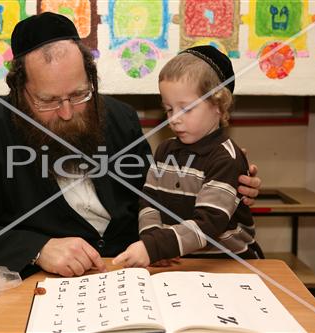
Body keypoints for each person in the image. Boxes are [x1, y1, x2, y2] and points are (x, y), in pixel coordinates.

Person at [0, 13, 261, 279]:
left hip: (135, 272)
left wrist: (225, 185)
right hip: (42, 286)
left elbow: (154, 197)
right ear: (19, 91)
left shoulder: (120, 118)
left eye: (78, 94)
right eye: (47, 101)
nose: (67, 112)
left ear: (91, 78)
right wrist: (38, 248)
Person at [113, 46, 264, 268]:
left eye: (186, 109)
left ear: (219, 106)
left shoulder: (226, 159)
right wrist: (154, 243)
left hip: (229, 264)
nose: (174, 119)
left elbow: (209, 224)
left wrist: (154, 247)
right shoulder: (165, 151)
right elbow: (149, 201)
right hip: (181, 260)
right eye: (169, 109)